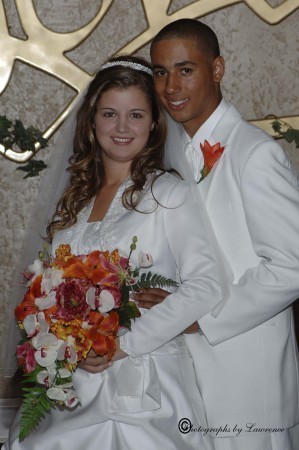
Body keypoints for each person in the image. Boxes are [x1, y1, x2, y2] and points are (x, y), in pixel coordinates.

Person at [4, 55, 226, 450]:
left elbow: (206, 286)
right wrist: (63, 339)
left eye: (136, 115)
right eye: (110, 113)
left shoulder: (168, 194)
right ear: (91, 121)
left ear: (155, 123)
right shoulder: (75, 201)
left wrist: (122, 345)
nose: (122, 127)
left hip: (143, 382)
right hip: (71, 384)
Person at [118, 19, 299, 450]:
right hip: (184, 371)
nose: (170, 86)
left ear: (217, 69)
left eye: (185, 69)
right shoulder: (171, 149)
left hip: (247, 378)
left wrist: (200, 317)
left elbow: (292, 266)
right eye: (160, 72)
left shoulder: (255, 153)